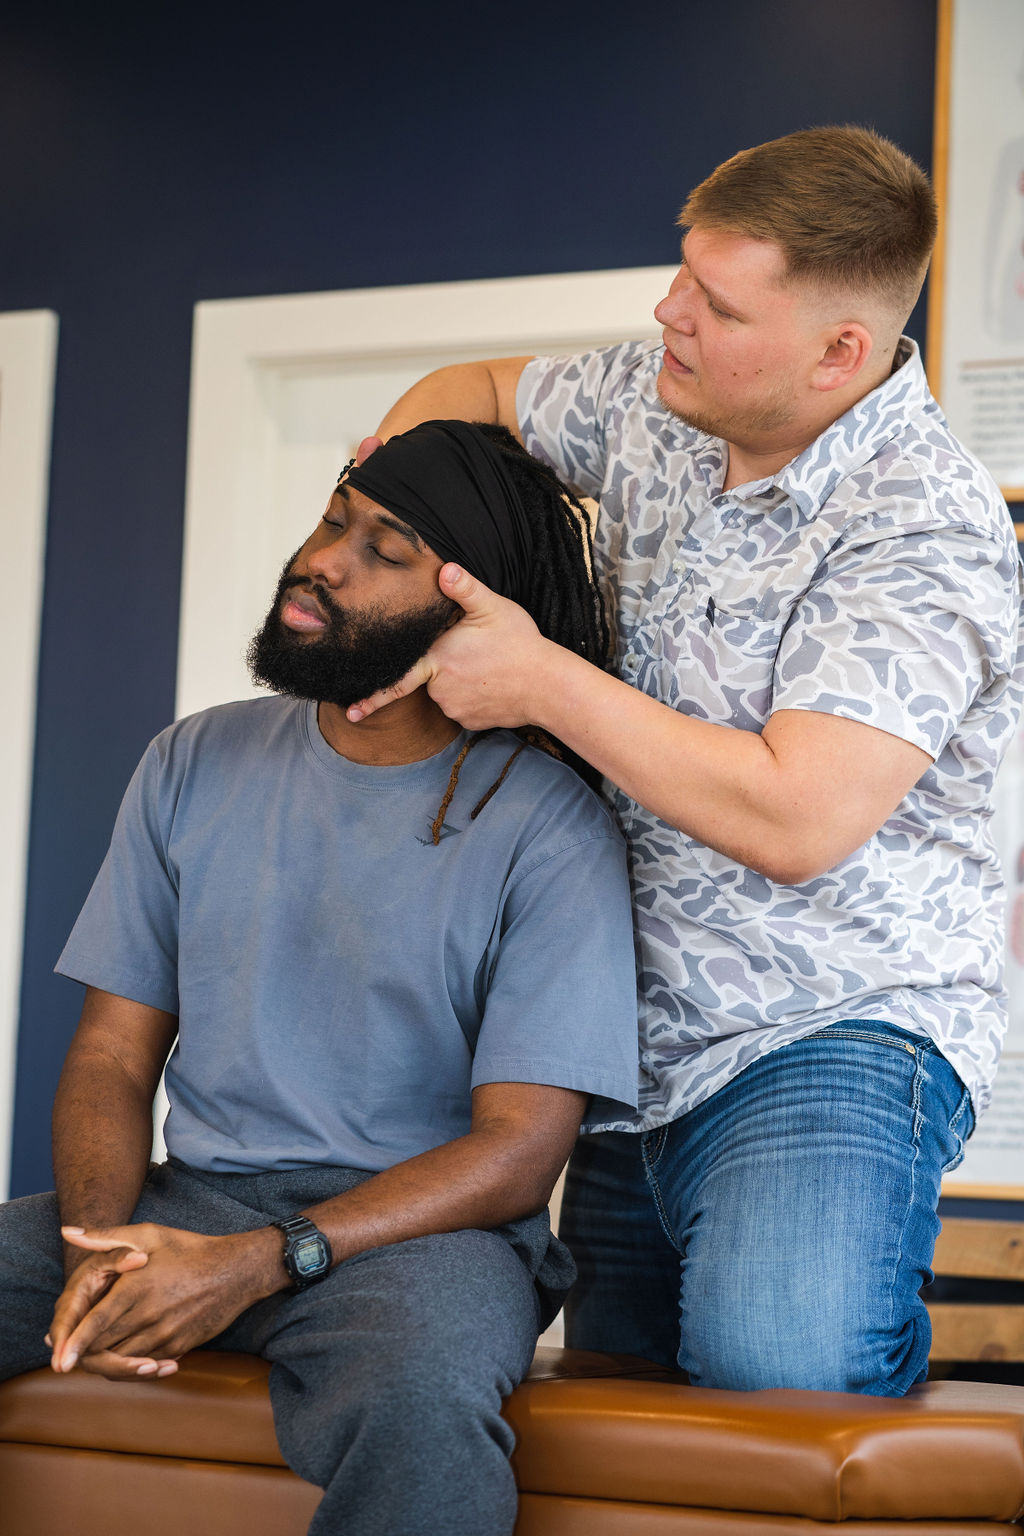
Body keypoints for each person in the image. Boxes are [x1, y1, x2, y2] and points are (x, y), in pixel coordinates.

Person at [348, 126, 1024, 1396]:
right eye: (680, 276)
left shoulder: (922, 526)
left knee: (780, 1373)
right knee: (621, 1411)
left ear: (840, 350)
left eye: (715, 304)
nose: (668, 313)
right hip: (626, 1041)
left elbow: (797, 818)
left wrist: (542, 676)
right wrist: (389, 526)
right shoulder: (654, 401)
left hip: (825, 1031)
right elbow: (471, 390)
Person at [0, 420, 639, 1536]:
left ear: (469, 614)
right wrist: (102, 1252)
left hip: (415, 1247)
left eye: (384, 553)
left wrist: (266, 1261)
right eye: (336, 519)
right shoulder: (193, 759)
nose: (323, 559)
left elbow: (519, 1150)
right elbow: (111, 1050)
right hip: (185, 1199)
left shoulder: (549, 826)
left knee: (420, 1409)